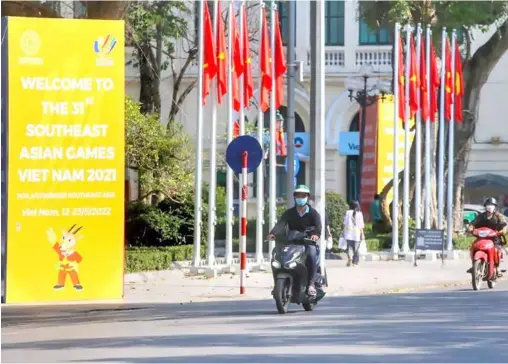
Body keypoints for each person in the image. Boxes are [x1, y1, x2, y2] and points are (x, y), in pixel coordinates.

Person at [267, 185, 322, 296]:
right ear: (294, 197)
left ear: (307, 197)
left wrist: (315, 235)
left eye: (303, 195)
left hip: (307, 242)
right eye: (298, 195)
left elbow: (318, 227)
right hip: (292, 241)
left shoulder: (313, 213)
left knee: (311, 253)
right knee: (275, 253)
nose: (300, 197)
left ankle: (311, 284)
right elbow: (280, 224)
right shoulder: (289, 213)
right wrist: (273, 233)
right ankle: (276, 284)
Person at [468, 197, 508, 277]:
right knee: (474, 247)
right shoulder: (481, 216)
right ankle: (474, 265)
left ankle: (497, 268)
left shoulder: (498, 216)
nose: (490, 206)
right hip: (482, 237)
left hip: (495, 238)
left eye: (492, 205)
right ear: (485, 206)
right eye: (488, 204)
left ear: (495, 207)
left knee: (497, 250)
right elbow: (473, 223)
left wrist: (503, 230)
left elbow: (504, 224)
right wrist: (470, 228)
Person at [343, 200, 365, 267]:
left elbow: (345, 223)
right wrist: (362, 234)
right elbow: (361, 225)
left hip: (348, 233)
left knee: (349, 247)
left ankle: (350, 258)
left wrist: (343, 232)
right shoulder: (359, 214)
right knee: (356, 249)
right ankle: (355, 263)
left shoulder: (348, 212)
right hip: (357, 234)